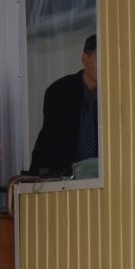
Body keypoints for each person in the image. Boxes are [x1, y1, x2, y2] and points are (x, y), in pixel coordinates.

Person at [27, 33, 98, 177]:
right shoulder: (60, 91)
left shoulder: (113, 95)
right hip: (59, 179)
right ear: (85, 58)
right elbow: (58, 143)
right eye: (100, 58)